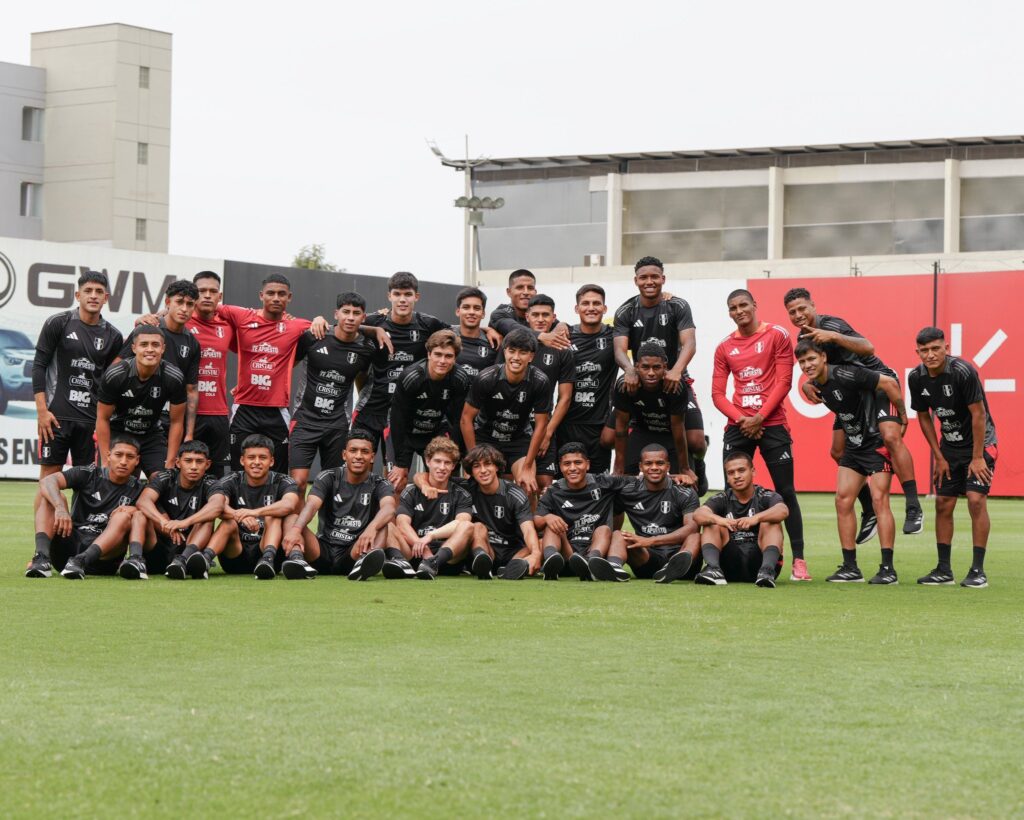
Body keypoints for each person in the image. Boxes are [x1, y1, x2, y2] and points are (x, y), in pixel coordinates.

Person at [784, 286, 923, 537]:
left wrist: (833, 337)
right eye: (792, 312)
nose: (798, 314)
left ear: (813, 306)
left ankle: (913, 505)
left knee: (891, 437)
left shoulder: (831, 325)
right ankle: (868, 507)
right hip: (851, 392)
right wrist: (807, 383)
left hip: (878, 383)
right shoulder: (803, 338)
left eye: (802, 308)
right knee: (837, 451)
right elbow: (821, 366)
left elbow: (869, 348)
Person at [711, 289, 809, 581]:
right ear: (729, 312)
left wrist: (760, 417)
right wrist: (742, 418)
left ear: (755, 305)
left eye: (744, 305)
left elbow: (784, 382)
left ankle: (799, 561)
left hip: (772, 423)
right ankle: (726, 558)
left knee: (786, 492)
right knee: (731, 492)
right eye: (733, 308)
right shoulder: (725, 347)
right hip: (739, 425)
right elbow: (717, 394)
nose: (739, 311)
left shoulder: (777, 335)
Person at [796, 339, 906, 585]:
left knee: (880, 501)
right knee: (842, 500)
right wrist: (806, 386)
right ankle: (850, 567)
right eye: (802, 362)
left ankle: (888, 569)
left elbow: (888, 381)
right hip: (854, 445)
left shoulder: (846, 373)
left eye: (811, 359)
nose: (807, 365)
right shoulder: (816, 386)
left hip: (875, 441)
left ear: (824, 357)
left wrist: (902, 416)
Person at [213, 273, 329, 472]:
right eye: (271, 293)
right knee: (237, 469)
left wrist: (319, 319)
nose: (276, 298)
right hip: (244, 408)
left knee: (279, 471)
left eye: (281, 294)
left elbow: (343, 328)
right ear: (261, 295)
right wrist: (162, 313)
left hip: (276, 410)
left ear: (289, 297)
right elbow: (199, 306)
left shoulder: (297, 325)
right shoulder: (242, 316)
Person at [909, 327, 997, 588]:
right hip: (950, 448)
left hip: (981, 445)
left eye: (936, 348)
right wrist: (938, 456)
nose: (930, 354)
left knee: (975, 500)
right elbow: (923, 416)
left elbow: (979, 415)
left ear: (946, 348)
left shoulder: (962, 371)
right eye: (924, 350)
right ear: (918, 352)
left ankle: (977, 570)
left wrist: (978, 457)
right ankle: (943, 570)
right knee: (943, 504)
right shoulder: (916, 377)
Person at [613, 256, 707, 491]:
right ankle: (622, 470)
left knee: (696, 442)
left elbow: (690, 343)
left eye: (655, 277)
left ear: (663, 279)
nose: (649, 281)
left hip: (674, 381)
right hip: (640, 382)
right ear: (636, 281)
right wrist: (630, 370)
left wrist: (676, 371)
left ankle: (698, 464)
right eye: (643, 277)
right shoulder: (625, 310)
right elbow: (619, 349)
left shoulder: (678, 305)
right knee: (608, 437)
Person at [355, 272, 453, 468]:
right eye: (397, 294)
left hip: (408, 410)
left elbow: (459, 332)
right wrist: (373, 330)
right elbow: (343, 326)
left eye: (407, 294)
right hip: (373, 408)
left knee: (393, 471)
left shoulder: (428, 324)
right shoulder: (375, 321)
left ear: (416, 297)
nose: (402, 299)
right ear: (389, 296)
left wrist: (487, 329)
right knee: (359, 465)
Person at [32, 271, 123, 477]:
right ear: (77, 295)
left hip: (91, 421)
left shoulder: (113, 335)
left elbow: (110, 382)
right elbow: (39, 366)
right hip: (56, 417)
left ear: (106, 298)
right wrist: (42, 411)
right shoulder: (58, 322)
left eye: (99, 291)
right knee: (49, 477)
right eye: (88, 291)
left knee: (88, 481)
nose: (93, 295)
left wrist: (104, 421)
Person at [288, 292, 376, 493]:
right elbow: (287, 366)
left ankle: (328, 526)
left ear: (364, 317)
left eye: (356, 313)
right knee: (298, 483)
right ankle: (298, 526)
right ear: (336, 314)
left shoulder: (365, 348)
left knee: (332, 484)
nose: (350, 317)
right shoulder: (314, 336)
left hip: (337, 424)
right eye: (346, 312)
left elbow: (362, 382)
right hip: (305, 420)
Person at [414, 444, 542, 580]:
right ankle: (483, 562)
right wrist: (424, 486)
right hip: (484, 548)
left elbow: (528, 529)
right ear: (471, 471)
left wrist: (535, 554)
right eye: (476, 466)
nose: (483, 470)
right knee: (477, 526)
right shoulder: (465, 487)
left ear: (497, 467)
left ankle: (512, 567)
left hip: (514, 551)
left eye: (488, 464)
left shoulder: (514, 494)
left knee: (539, 544)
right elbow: (422, 475)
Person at [282, 430, 397, 581]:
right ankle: (297, 559)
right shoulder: (328, 477)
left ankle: (365, 561)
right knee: (292, 518)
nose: (358, 456)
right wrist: (296, 530)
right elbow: (311, 505)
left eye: (365, 452)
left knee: (383, 523)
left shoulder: (380, 483)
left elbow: (389, 507)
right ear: (344, 455)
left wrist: (371, 528)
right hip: (322, 550)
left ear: (372, 457)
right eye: (353, 451)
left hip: (354, 551)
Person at [26, 435, 144, 579]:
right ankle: (41, 558)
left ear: (137, 460)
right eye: (118, 455)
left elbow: (151, 517)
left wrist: (136, 510)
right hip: (68, 551)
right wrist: (60, 508)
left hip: (103, 560)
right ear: (108, 456)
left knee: (125, 516)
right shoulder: (88, 473)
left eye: (130, 457)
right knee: (49, 498)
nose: (123, 462)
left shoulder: (140, 489)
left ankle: (82, 560)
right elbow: (48, 481)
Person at [461, 328, 552, 497]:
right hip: (486, 437)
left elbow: (541, 424)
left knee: (528, 485)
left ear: (531, 356)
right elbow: (466, 419)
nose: (516, 358)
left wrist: (527, 467)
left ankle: (527, 524)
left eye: (523, 353)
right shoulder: (487, 378)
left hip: (518, 439)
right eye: (512, 351)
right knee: (474, 485)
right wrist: (474, 458)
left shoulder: (540, 381)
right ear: (505, 352)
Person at [205, 434, 302, 579]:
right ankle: (205, 559)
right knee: (229, 522)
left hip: (271, 557)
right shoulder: (231, 480)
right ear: (242, 460)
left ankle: (267, 559)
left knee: (276, 515)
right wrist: (239, 516)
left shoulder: (283, 481)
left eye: (262, 458)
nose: (256, 462)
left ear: (271, 461)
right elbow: (218, 506)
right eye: (251, 458)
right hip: (235, 557)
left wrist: (253, 513)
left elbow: (289, 504)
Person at [95, 326, 187, 477]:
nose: (150, 349)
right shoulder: (115, 374)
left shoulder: (174, 377)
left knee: (162, 481)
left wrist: (170, 462)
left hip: (151, 435)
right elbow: (102, 418)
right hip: (119, 433)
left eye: (155, 345)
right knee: (114, 479)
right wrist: (106, 460)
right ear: (134, 348)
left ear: (163, 348)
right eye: (144, 344)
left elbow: (177, 422)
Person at [387, 329, 470, 493]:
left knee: (442, 478)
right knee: (397, 480)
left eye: (448, 356)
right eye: (438, 354)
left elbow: (458, 419)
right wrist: (401, 463)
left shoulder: (459, 378)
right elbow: (398, 419)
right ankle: (393, 519)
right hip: (405, 432)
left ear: (455, 358)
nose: (442, 361)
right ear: (429, 354)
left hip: (435, 432)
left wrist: (459, 453)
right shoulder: (411, 377)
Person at [534, 443, 630, 582]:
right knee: (552, 526)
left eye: (578, 462)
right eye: (567, 464)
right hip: (567, 553)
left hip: (596, 548)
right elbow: (537, 521)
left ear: (587, 464)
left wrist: (672, 479)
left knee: (604, 529)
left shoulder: (604, 482)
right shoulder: (554, 490)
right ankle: (551, 563)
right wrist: (547, 517)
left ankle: (592, 562)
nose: (572, 468)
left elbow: (638, 482)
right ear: (560, 467)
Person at [119, 279, 200, 442]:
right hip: (132, 417)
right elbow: (116, 370)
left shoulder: (193, 343)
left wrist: (189, 434)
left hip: (168, 421)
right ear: (168, 302)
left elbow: (191, 391)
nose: (184, 309)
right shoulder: (146, 329)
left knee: (163, 467)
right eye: (179, 302)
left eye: (190, 304)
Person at [693, 451, 788, 588]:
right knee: (711, 522)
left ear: (753, 471)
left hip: (759, 561)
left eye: (741, 470)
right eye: (731, 473)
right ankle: (713, 569)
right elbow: (698, 514)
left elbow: (783, 510)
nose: (737, 476)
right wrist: (720, 520)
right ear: (727, 478)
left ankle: (767, 571)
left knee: (771, 521)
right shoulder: (722, 498)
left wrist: (756, 518)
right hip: (730, 563)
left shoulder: (765, 495)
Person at [128, 440, 219, 580]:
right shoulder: (166, 477)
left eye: (199, 462)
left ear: (207, 464)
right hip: (160, 547)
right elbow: (143, 501)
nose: (193, 467)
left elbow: (217, 506)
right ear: (178, 463)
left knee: (207, 518)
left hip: (190, 548)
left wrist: (184, 522)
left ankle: (182, 560)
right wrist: (165, 522)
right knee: (139, 514)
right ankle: (135, 559)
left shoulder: (210, 482)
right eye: (188, 461)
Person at [611, 443, 701, 584]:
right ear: (641, 467)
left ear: (668, 466)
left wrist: (652, 540)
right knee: (618, 534)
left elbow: (692, 528)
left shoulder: (685, 492)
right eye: (648, 463)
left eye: (660, 463)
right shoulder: (627, 491)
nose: (654, 467)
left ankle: (673, 568)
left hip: (680, 555)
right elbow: (613, 523)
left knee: (696, 536)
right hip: (647, 557)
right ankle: (613, 567)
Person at [509, 295, 574, 486]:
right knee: (512, 486)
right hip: (513, 428)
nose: (540, 319)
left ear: (554, 317)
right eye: (535, 314)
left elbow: (565, 397)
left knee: (543, 485)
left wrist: (547, 433)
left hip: (543, 425)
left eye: (545, 315)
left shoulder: (563, 349)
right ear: (527, 317)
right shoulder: (513, 346)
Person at [387, 437, 474, 580]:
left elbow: (461, 523)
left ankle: (433, 563)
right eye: (437, 461)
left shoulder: (462, 494)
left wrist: (430, 536)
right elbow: (402, 524)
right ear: (427, 461)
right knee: (389, 525)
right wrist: (421, 545)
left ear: (453, 466)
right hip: (417, 553)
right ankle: (401, 563)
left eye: (447, 463)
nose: (442, 467)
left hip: (447, 558)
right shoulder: (411, 492)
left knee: (468, 526)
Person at [612, 344, 694, 482]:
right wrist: (618, 468)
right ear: (636, 367)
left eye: (656, 367)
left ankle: (698, 466)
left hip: (670, 432)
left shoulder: (676, 386)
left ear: (665, 367)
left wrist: (684, 468)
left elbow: (678, 429)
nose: (651, 373)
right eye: (645, 367)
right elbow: (621, 430)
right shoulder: (624, 385)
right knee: (624, 475)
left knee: (684, 479)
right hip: (642, 428)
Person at [560, 284, 616, 474]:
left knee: (598, 483)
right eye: (585, 303)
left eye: (596, 303)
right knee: (566, 481)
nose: (591, 308)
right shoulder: (564, 335)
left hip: (599, 425)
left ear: (604, 308)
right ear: (577, 309)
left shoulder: (614, 335)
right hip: (567, 423)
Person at [187, 270, 236, 476]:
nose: (207, 295)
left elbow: (255, 349)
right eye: (202, 291)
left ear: (220, 296)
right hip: (189, 413)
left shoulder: (227, 326)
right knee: (185, 473)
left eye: (213, 291)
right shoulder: (182, 322)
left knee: (216, 476)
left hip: (218, 414)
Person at [486, 269, 571, 349]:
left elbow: (557, 324)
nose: (526, 292)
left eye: (530, 288)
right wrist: (542, 336)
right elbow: (513, 327)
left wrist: (562, 325)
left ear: (535, 292)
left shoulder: (540, 315)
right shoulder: (499, 314)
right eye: (520, 287)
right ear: (509, 292)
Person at [453, 287, 498, 379]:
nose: (471, 312)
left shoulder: (493, 343)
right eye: (466, 307)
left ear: (483, 314)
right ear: (458, 311)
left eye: (477, 308)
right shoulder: (446, 336)